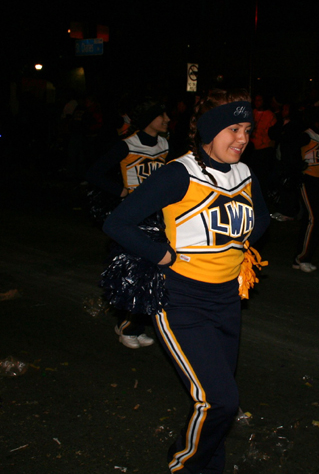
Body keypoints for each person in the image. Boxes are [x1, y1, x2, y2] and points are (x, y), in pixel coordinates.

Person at [103, 96, 269, 474]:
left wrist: (238, 245)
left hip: (228, 298)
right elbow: (117, 223)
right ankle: (182, 464)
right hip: (181, 300)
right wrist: (163, 256)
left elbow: (261, 218)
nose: (242, 139)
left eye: (247, 131)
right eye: (234, 130)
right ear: (210, 131)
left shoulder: (243, 172)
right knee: (220, 401)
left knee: (218, 400)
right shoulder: (179, 173)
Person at [86, 97, 170, 349]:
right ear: (149, 119)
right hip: (134, 217)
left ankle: (133, 325)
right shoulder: (127, 145)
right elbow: (93, 172)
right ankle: (128, 326)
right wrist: (122, 192)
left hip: (158, 217)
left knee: (152, 271)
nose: (167, 119)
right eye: (161, 115)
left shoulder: (166, 144)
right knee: (136, 272)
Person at [293, 106, 319, 273]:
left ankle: (302, 256)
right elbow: (291, 149)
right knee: (315, 218)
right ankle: (302, 258)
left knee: (313, 219)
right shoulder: (306, 135)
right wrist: (297, 167)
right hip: (307, 180)